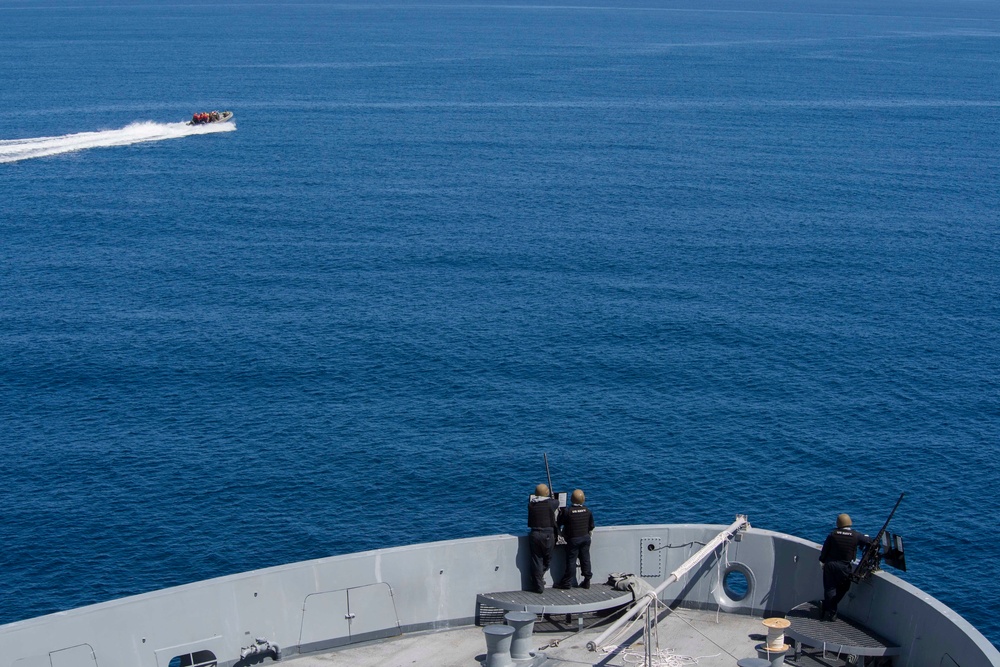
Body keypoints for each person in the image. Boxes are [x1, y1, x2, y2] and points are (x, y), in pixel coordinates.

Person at [818, 513, 872, 621]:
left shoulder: (833, 534)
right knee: (844, 587)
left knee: (829, 588)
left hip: (830, 564)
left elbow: (825, 550)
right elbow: (869, 541)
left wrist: (822, 561)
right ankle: (829, 607)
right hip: (844, 566)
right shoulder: (855, 535)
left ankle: (830, 610)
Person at [555, 488, 594, 589]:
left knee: (571, 561)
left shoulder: (568, 511)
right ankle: (587, 580)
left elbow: (559, 523)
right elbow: (591, 526)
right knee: (585, 559)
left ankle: (567, 582)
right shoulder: (587, 511)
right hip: (585, 539)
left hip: (573, 540)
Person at [527, 483, 560, 594]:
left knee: (537, 560)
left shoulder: (531, 505)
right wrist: (552, 495)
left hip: (535, 534)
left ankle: (538, 583)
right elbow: (557, 502)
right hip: (548, 535)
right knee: (547, 558)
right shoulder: (551, 504)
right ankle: (540, 579)